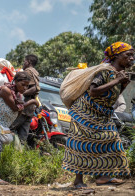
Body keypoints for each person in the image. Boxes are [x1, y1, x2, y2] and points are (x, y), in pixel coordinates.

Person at [62, 42, 134, 188]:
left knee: (112, 140)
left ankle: (103, 177)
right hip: (84, 113)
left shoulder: (117, 74)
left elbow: (111, 96)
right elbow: (93, 91)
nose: (132, 58)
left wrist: (123, 85)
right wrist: (117, 80)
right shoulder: (106, 71)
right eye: (128, 55)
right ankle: (78, 181)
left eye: (133, 55)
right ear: (117, 56)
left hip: (102, 115)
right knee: (80, 145)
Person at [0, 72, 39, 185]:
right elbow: (15, 108)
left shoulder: (17, 95)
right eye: (23, 84)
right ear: (15, 81)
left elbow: (18, 112)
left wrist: (21, 105)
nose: (25, 88)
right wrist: (31, 102)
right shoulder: (5, 90)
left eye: (27, 86)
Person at [10, 54, 40, 142]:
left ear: (29, 62)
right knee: (23, 133)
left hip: (25, 104)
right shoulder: (35, 72)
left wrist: (20, 93)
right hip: (30, 107)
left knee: (10, 127)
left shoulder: (28, 71)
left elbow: (35, 88)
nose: (23, 63)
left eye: (24, 61)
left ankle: (6, 149)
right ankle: (19, 152)